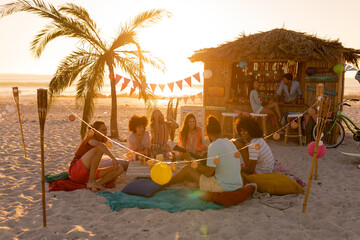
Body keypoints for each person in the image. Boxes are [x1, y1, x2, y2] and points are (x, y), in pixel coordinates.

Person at [168, 116, 243, 195]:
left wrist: (190, 161)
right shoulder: (229, 142)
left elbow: (208, 173)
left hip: (223, 186)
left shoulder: (214, 145)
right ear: (220, 131)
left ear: (209, 134)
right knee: (197, 169)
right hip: (237, 184)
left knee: (187, 169)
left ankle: (166, 183)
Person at [69, 121, 123, 192]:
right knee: (98, 148)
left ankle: (97, 184)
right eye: (103, 130)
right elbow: (98, 145)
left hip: (88, 174)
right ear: (96, 131)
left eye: (106, 129)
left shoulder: (102, 139)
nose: (106, 132)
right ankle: (92, 181)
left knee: (119, 168)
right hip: (77, 171)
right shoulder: (90, 138)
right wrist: (113, 158)